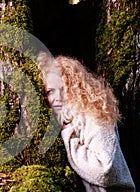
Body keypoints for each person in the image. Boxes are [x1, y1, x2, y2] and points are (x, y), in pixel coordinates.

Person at [37, 53, 136, 192]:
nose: (57, 97)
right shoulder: (67, 117)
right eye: (50, 91)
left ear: (75, 88)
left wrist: (70, 138)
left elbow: (105, 168)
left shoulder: (93, 114)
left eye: (62, 89)